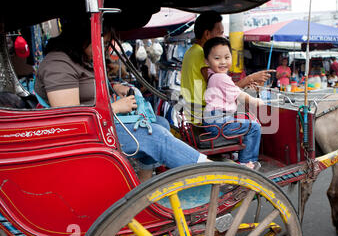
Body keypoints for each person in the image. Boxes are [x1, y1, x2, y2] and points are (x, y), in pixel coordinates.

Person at [34, 18, 210, 175]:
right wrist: (115, 108)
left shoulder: (78, 58)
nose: (102, 49)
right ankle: (210, 171)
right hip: (86, 137)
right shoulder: (58, 64)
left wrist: (113, 87)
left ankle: (144, 183)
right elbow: (70, 119)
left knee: (160, 123)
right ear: (83, 37)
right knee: (155, 135)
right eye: (102, 44)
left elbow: (86, 89)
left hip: (100, 126)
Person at [180, 11, 273, 123]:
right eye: (221, 33)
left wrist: (246, 83)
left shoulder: (191, 51)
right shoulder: (202, 55)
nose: (223, 37)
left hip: (195, 115)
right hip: (206, 118)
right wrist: (250, 79)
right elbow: (224, 89)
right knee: (252, 126)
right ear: (207, 34)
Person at [203, 37, 263, 170]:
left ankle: (239, 155)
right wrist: (257, 101)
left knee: (246, 120)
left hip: (215, 119)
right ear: (207, 61)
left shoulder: (213, 75)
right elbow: (241, 96)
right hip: (217, 121)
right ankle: (247, 163)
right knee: (254, 127)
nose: (223, 62)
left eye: (227, 57)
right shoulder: (221, 77)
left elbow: (233, 91)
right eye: (217, 58)